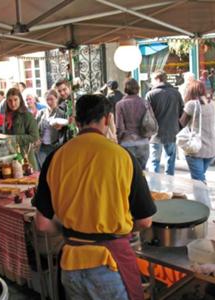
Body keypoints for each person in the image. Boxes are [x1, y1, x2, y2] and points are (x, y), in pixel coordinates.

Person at [33, 93, 156, 300]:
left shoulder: (56, 157)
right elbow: (144, 221)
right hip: (109, 264)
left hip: (70, 265)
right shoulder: (123, 157)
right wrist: (118, 231)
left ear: (76, 121)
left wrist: (71, 231)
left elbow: (42, 224)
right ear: (107, 119)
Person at [179, 80, 215, 182]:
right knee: (200, 177)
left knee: (198, 181)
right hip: (211, 148)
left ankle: (203, 198)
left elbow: (181, 123)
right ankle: (203, 196)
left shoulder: (192, 105)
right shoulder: (211, 103)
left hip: (196, 148)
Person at [115, 78, 150, 170]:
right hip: (143, 141)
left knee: (128, 173)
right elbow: (150, 122)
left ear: (125, 89)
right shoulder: (145, 103)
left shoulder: (120, 104)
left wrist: (118, 139)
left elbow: (119, 126)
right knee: (142, 173)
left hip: (127, 142)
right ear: (137, 88)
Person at [4, 88, 40, 169]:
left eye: (15, 100)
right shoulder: (8, 116)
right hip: (11, 157)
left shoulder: (27, 115)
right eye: (10, 100)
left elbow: (34, 137)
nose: (13, 103)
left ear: (20, 100)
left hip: (25, 158)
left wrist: (13, 139)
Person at [36, 89, 69, 167]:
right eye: (47, 99)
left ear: (57, 99)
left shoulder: (62, 113)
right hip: (42, 146)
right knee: (43, 168)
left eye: (51, 99)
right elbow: (36, 128)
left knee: (54, 167)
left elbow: (66, 130)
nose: (49, 102)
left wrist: (62, 127)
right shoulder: (41, 113)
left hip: (55, 146)